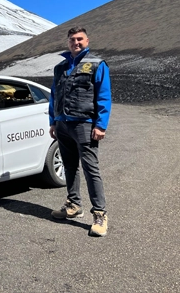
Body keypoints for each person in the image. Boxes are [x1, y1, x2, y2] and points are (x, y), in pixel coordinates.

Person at [48, 26, 111, 237]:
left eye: (79, 39)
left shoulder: (97, 64)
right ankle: (73, 205)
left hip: (84, 124)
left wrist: (100, 125)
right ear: (68, 42)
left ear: (87, 41)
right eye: (72, 39)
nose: (76, 42)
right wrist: (53, 121)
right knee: (69, 166)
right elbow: (54, 96)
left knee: (90, 168)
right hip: (62, 124)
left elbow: (104, 95)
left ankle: (100, 214)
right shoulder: (60, 67)